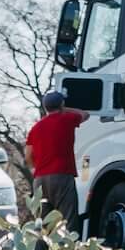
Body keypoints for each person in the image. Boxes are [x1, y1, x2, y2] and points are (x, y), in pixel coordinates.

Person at [25, 86, 85, 229]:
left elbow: (28, 156)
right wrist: (65, 109)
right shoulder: (67, 119)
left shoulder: (36, 128)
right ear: (62, 104)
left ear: (45, 107)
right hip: (62, 176)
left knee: (42, 224)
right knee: (68, 220)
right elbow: (85, 114)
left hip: (40, 179)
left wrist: (36, 170)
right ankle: (68, 249)